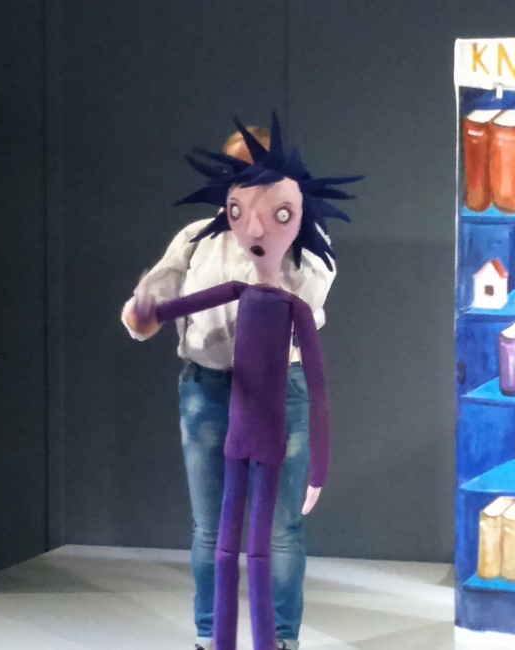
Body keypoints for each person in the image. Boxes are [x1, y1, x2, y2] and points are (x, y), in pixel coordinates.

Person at [122, 118, 348, 650]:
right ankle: (210, 636)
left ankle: (282, 640)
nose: (246, 183)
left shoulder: (305, 236)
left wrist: (268, 249)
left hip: (279, 393)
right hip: (206, 390)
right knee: (209, 527)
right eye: (236, 173)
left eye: (258, 172)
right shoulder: (196, 239)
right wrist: (143, 313)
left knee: (280, 529)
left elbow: (308, 302)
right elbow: (148, 307)